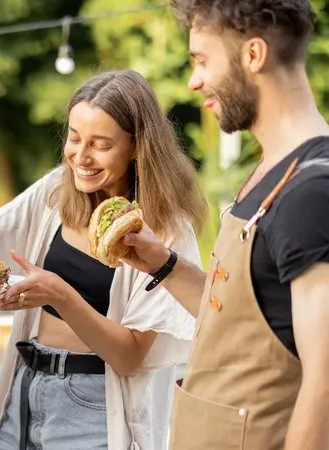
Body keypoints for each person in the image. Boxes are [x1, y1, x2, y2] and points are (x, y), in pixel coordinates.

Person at [0, 69, 208, 450]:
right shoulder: (56, 190)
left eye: (100, 144)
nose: (80, 157)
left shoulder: (164, 231)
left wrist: (60, 296)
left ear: (136, 147)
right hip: (26, 386)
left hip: (94, 407)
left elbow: (129, 356)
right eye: (74, 137)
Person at [118, 1, 329, 449]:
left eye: (202, 60)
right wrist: (164, 265)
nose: (194, 80)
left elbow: (324, 384)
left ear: (253, 55)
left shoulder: (311, 193)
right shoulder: (269, 174)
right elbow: (241, 326)